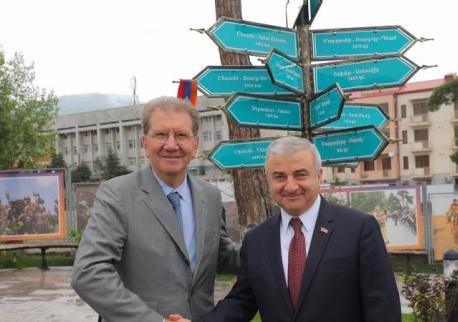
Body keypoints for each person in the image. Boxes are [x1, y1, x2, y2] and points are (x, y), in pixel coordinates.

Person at [175, 136, 401, 322]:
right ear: (268, 180)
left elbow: (383, 310)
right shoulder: (256, 240)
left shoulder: (359, 229)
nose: (290, 186)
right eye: (279, 177)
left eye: (300, 174)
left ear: (319, 176)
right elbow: (240, 302)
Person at [71, 97, 240, 322]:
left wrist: (274, 242)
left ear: (195, 144)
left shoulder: (210, 196)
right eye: (161, 135)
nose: (171, 145)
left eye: (181, 135)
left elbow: (221, 256)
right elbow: (88, 273)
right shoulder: (117, 194)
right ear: (145, 143)